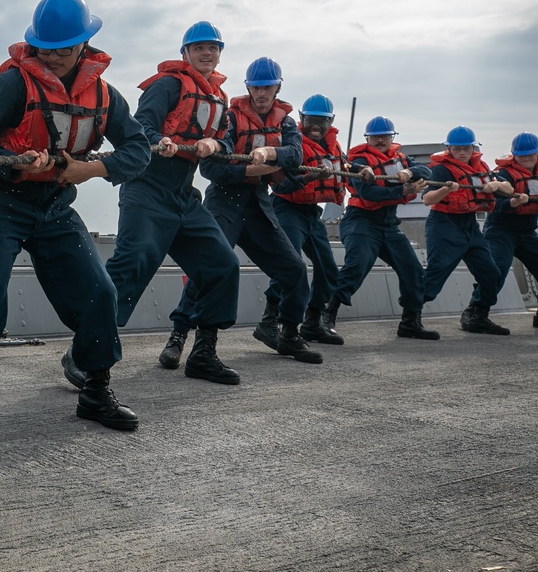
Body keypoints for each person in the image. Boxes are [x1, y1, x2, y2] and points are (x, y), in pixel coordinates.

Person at [0, 0, 150, 446]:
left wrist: (92, 169)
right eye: (47, 47)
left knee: (100, 293)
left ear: (84, 44)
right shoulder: (13, 84)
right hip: (4, 203)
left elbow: (138, 148)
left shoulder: (104, 95)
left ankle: (95, 389)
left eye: (66, 47)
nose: (56, 56)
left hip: (56, 207)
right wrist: (15, 159)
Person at [61, 21, 240, 385]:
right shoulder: (168, 85)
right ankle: (82, 354)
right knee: (131, 266)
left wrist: (215, 145)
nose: (207, 53)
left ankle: (203, 354)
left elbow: (229, 142)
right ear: (185, 53)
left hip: (184, 195)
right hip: (147, 189)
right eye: (199, 47)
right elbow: (141, 128)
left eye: (213, 48)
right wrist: (163, 140)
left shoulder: (219, 99)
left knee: (222, 265)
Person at [164, 57, 324, 365]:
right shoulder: (230, 118)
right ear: (248, 88)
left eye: (267, 87)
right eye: (256, 88)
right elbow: (210, 167)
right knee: (209, 269)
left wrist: (269, 153)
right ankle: (178, 335)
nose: (261, 93)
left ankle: (289, 333)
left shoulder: (287, 122)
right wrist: (249, 171)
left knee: (294, 269)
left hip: (259, 207)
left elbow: (295, 153)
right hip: (224, 202)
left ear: (277, 88)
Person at [324, 116, 440, 340]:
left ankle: (410, 322)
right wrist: (402, 191)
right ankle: (326, 314)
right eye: (375, 137)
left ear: (392, 138)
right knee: (357, 265)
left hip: (389, 225)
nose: (380, 141)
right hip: (361, 221)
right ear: (367, 139)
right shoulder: (358, 161)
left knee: (413, 270)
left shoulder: (402, 159)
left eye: (384, 136)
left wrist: (410, 173)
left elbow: (427, 172)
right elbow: (368, 193)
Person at [265, 94, 347, 346]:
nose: (316, 126)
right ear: (301, 119)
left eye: (322, 121)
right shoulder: (292, 142)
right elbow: (280, 185)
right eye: (311, 119)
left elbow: (346, 171)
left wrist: (359, 171)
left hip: (312, 212)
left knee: (328, 269)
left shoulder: (333, 147)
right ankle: (269, 321)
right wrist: (310, 178)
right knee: (290, 263)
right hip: (287, 208)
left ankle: (312, 322)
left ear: (330, 122)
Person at [421, 126, 512, 334]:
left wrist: (496, 186)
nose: (462, 153)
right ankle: (410, 319)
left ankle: (478, 316)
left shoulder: (482, 168)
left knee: (491, 274)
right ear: (449, 149)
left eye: (466, 149)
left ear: (473, 148)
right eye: (457, 149)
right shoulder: (440, 169)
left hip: (470, 226)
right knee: (435, 275)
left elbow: (510, 190)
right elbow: (427, 200)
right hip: (443, 225)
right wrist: (445, 189)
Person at [469, 132, 538, 327]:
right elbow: (495, 205)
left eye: (530, 155)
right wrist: (513, 202)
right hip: (501, 230)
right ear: (513, 155)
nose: (525, 159)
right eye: (521, 155)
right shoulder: (502, 175)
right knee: (495, 270)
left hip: (527, 231)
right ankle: (476, 313)